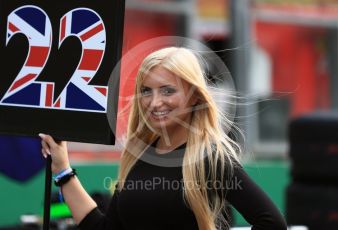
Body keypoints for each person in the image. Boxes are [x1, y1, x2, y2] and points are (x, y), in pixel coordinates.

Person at [39, 47, 287, 230]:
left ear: (194, 97)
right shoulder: (138, 155)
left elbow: (272, 223)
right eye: (146, 91)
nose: (155, 102)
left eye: (168, 90)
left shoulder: (209, 157)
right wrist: (62, 169)